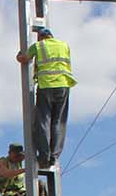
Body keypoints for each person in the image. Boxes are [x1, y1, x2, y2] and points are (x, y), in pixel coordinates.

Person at [16, 27, 76, 168]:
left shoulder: (39, 45)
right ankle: (54, 156)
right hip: (63, 85)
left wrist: (18, 55)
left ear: (40, 37)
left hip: (46, 86)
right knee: (58, 122)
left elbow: (24, 59)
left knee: (43, 121)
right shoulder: (64, 45)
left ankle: (44, 156)